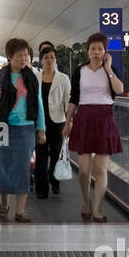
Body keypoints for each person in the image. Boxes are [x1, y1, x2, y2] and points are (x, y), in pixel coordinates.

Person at [0, 38, 46, 222]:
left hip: (25, 129)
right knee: (3, 166)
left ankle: (20, 210)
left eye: (26, 55)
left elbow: (38, 103)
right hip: (2, 127)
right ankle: (4, 202)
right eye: (19, 55)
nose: (24, 58)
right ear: (9, 57)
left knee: (23, 168)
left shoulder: (31, 77)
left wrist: (41, 129)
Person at [63, 32, 124, 222]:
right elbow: (74, 99)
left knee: (100, 169)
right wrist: (68, 122)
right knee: (83, 170)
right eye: (93, 49)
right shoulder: (80, 71)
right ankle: (86, 201)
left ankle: (98, 209)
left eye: (100, 49)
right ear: (87, 51)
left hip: (104, 119)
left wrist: (108, 69)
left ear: (105, 51)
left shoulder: (110, 69)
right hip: (84, 119)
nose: (96, 52)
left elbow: (120, 89)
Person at [34, 44, 71, 198]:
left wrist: (69, 122)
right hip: (40, 123)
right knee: (41, 155)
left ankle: (54, 180)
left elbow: (68, 100)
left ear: (56, 60)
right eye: (46, 58)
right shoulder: (35, 78)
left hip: (58, 122)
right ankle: (41, 189)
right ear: (41, 61)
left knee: (55, 154)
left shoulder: (63, 78)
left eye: (52, 57)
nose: (49, 60)